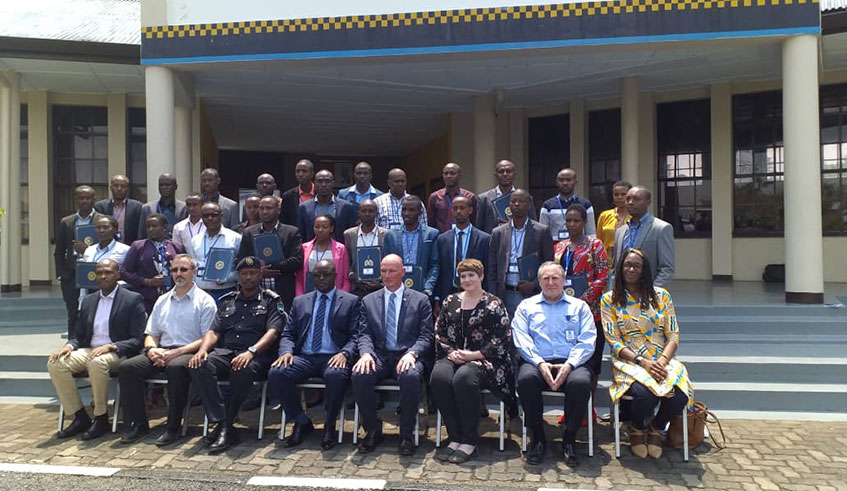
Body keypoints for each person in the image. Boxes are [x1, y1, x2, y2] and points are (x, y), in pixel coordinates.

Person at [188, 256, 286, 454]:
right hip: (226, 352)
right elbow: (214, 331)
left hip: (256, 355)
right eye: (244, 274)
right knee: (198, 364)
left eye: (253, 273)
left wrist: (251, 351)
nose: (248, 277)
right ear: (238, 277)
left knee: (241, 369)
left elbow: (273, 332)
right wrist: (202, 351)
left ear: (260, 275)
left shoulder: (271, 300)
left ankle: (225, 425)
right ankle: (223, 422)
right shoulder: (227, 301)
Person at [601, 249, 692, 459]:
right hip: (630, 361)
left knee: (679, 396)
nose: (631, 269)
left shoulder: (661, 296)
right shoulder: (609, 300)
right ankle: (637, 428)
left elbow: (673, 334)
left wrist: (661, 361)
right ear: (620, 268)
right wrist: (643, 362)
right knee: (645, 394)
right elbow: (613, 341)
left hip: (662, 359)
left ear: (644, 270)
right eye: (627, 265)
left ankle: (655, 429)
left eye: (636, 266)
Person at [117, 254, 217, 445]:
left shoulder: (205, 301)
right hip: (161, 351)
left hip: (189, 352)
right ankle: (137, 424)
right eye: (174, 270)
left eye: (183, 270)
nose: (178, 274)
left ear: (194, 272)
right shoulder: (162, 300)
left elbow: (207, 338)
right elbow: (151, 333)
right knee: (128, 367)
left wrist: (176, 353)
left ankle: (173, 427)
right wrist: (151, 350)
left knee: (176, 368)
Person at [47, 259, 146, 440]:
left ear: (117, 274)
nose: (103, 276)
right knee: (56, 363)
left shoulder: (132, 299)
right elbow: (79, 335)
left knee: (97, 362)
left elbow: (138, 339)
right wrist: (68, 346)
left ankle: (101, 418)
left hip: (118, 352)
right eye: (99, 273)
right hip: (90, 349)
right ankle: (79, 416)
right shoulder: (88, 301)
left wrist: (111, 346)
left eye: (108, 272)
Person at [269, 260, 361, 450]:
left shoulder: (350, 301)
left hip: (334, 356)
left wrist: (345, 353)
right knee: (277, 372)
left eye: (326, 274)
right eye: (317, 275)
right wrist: (286, 352)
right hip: (306, 357)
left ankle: (330, 425)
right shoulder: (301, 301)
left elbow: (356, 336)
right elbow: (288, 333)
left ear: (335, 276)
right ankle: (301, 421)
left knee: (335, 376)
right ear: (311, 277)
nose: (321, 279)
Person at [430, 259, 515, 464]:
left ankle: (469, 440)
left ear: (481, 276)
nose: (467, 279)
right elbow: (439, 332)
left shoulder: (494, 304)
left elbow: (502, 338)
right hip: (454, 356)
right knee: (439, 377)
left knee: (464, 378)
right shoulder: (450, 300)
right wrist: (450, 353)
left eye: (471, 275)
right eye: (463, 276)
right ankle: (455, 436)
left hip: (487, 360)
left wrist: (474, 355)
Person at [513, 261, 596, 467]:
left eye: (555, 278)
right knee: (525, 380)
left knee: (581, 384)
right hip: (537, 361)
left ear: (563, 280)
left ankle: (569, 438)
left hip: (571, 362)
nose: (550, 282)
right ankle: (538, 437)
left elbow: (587, 340)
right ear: (539, 281)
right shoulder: (526, 306)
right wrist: (540, 363)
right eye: (545, 278)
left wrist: (569, 365)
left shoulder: (580, 307)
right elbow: (521, 339)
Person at [352, 254, 434, 456]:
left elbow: (426, 335)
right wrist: (365, 354)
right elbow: (363, 334)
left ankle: (407, 434)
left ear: (403, 272)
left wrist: (413, 353)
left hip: (407, 354)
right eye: (384, 271)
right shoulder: (369, 300)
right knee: (360, 375)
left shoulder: (420, 300)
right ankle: (372, 430)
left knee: (411, 376)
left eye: (392, 271)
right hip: (379, 354)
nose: (387, 275)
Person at [553, 204, 609, 374]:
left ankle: (591, 395)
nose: (572, 224)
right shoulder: (559, 246)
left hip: (590, 310)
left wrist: (582, 300)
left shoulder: (595, 245)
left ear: (584, 222)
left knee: (591, 360)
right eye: (568, 220)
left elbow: (602, 277)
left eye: (576, 220)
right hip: (564, 309)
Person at [487, 189, 554, 317]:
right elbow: (492, 267)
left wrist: (535, 284)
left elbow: (548, 264)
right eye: (513, 201)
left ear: (529, 205)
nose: (517, 204)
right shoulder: (498, 233)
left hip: (531, 293)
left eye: (521, 201)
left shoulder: (541, 231)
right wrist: (493, 295)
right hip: (505, 293)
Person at [237, 195, 303, 310]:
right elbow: (241, 260)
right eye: (261, 208)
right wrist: (258, 271)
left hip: (283, 291)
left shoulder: (291, 232)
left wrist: (272, 267)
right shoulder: (249, 232)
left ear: (278, 210)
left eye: (268, 208)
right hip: (255, 292)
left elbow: (297, 260)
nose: (264, 212)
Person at [54, 185, 101, 339]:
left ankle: (91, 342)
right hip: (71, 274)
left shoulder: (103, 220)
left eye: (88, 198)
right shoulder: (67, 222)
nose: (85, 201)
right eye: (81, 198)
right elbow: (59, 251)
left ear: (94, 199)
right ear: (76, 200)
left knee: (94, 310)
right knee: (72, 311)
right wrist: (61, 273)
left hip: (95, 272)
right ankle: (72, 344)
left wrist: (86, 249)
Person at [433, 196, 490, 314]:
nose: (458, 211)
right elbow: (439, 270)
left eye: (462, 208)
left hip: (475, 293)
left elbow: (488, 270)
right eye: (455, 208)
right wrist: (437, 299)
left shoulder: (483, 238)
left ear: (470, 210)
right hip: (448, 292)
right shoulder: (442, 239)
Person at [121, 214, 186, 314]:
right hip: (146, 298)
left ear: (164, 227)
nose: (151, 229)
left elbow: (185, 269)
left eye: (154, 226)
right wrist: (147, 281)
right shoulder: (138, 246)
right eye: (148, 227)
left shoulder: (176, 247)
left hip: (174, 296)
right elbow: (124, 272)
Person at [611, 186, 675, 287]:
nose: (630, 202)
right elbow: (615, 268)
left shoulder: (661, 228)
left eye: (636, 199)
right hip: (622, 294)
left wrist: (652, 294)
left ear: (648, 202)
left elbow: (666, 268)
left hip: (648, 293)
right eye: (628, 199)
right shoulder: (620, 231)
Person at [383, 196, 439, 298]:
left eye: (411, 210)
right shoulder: (390, 235)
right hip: (397, 290)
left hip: (422, 292)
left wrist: (428, 289)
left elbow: (434, 265)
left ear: (420, 212)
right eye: (404, 209)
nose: (407, 213)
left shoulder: (431, 234)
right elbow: (386, 265)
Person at [187, 203, 242, 302]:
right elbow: (193, 266)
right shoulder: (195, 240)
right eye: (206, 216)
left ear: (221, 216)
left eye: (214, 215)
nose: (210, 218)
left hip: (225, 292)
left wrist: (227, 278)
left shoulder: (235, 238)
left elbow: (242, 269)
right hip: (200, 293)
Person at [475, 159, 537, 234]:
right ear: (496, 174)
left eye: (508, 171)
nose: (505, 174)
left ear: (514, 174)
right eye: (501, 171)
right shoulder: (484, 199)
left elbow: (533, 223)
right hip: (492, 242)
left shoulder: (526, 197)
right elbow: (478, 227)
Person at [343, 199, 390, 298]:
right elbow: (347, 261)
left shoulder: (386, 234)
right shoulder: (349, 235)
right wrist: (352, 276)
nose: (367, 214)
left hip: (379, 288)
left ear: (377, 214)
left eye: (371, 211)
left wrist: (381, 284)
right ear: (358, 213)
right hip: (357, 288)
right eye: (364, 211)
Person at [79, 216, 131, 302]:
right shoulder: (89, 250)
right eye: (98, 227)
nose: (101, 230)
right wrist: (82, 301)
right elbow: (84, 278)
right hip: (91, 295)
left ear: (115, 230)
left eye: (106, 227)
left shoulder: (125, 250)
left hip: (114, 295)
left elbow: (130, 276)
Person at [295, 215, 351, 295]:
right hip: (309, 293)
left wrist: (342, 298)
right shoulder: (304, 248)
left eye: (324, 227)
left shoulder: (341, 249)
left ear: (331, 229)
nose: (320, 230)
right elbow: (299, 278)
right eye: (317, 227)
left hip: (335, 295)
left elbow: (345, 278)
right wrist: (300, 297)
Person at [297, 170, 357, 243]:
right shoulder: (304, 207)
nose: (323, 184)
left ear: (333, 183)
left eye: (327, 181)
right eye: (320, 181)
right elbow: (301, 234)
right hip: (312, 251)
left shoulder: (346, 207)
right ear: (315, 183)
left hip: (339, 252)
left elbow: (350, 234)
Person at [539, 169, 596, 243]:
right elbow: (543, 234)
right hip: (555, 250)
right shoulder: (547, 206)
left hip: (579, 249)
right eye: (561, 180)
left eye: (569, 180)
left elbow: (591, 233)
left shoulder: (585, 204)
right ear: (556, 182)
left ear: (575, 182)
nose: (565, 183)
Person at [427, 162, 478, 233]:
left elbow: (475, 221)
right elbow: (430, 223)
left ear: (460, 175)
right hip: (441, 240)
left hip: (464, 237)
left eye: (452, 173)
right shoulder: (435, 197)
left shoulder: (469, 197)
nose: (448, 176)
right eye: (445, 173)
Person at [94, 174, 143, 244]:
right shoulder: (100, 207)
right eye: (116, 186)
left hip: (130, 248)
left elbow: (140, 231)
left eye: (123, 186)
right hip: (106, 248)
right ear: (111, 187)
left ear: (128, 189)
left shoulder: (137, 207)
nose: (119, 189)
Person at [138, 173, 187, 239]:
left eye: (168, 185)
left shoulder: (184, 208)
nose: (164, 187)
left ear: (175, 187)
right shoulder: (147, 208)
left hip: (176, 246)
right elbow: (142, 234)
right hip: (152, 247)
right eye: (161, 185)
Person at [596, 181, 632, 259]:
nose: (619, 197)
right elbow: (599, 241)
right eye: (616, 194)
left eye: (623, 194)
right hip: (606, 260)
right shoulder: (605, 215)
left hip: (627, 258)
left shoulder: (634, 217)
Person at [281, 159, 315, 227]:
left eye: (304, 171)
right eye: (297, 171)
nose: (300, 174)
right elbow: (284, 221)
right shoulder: (288, 196)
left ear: (312, 174)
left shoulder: (320, 193)